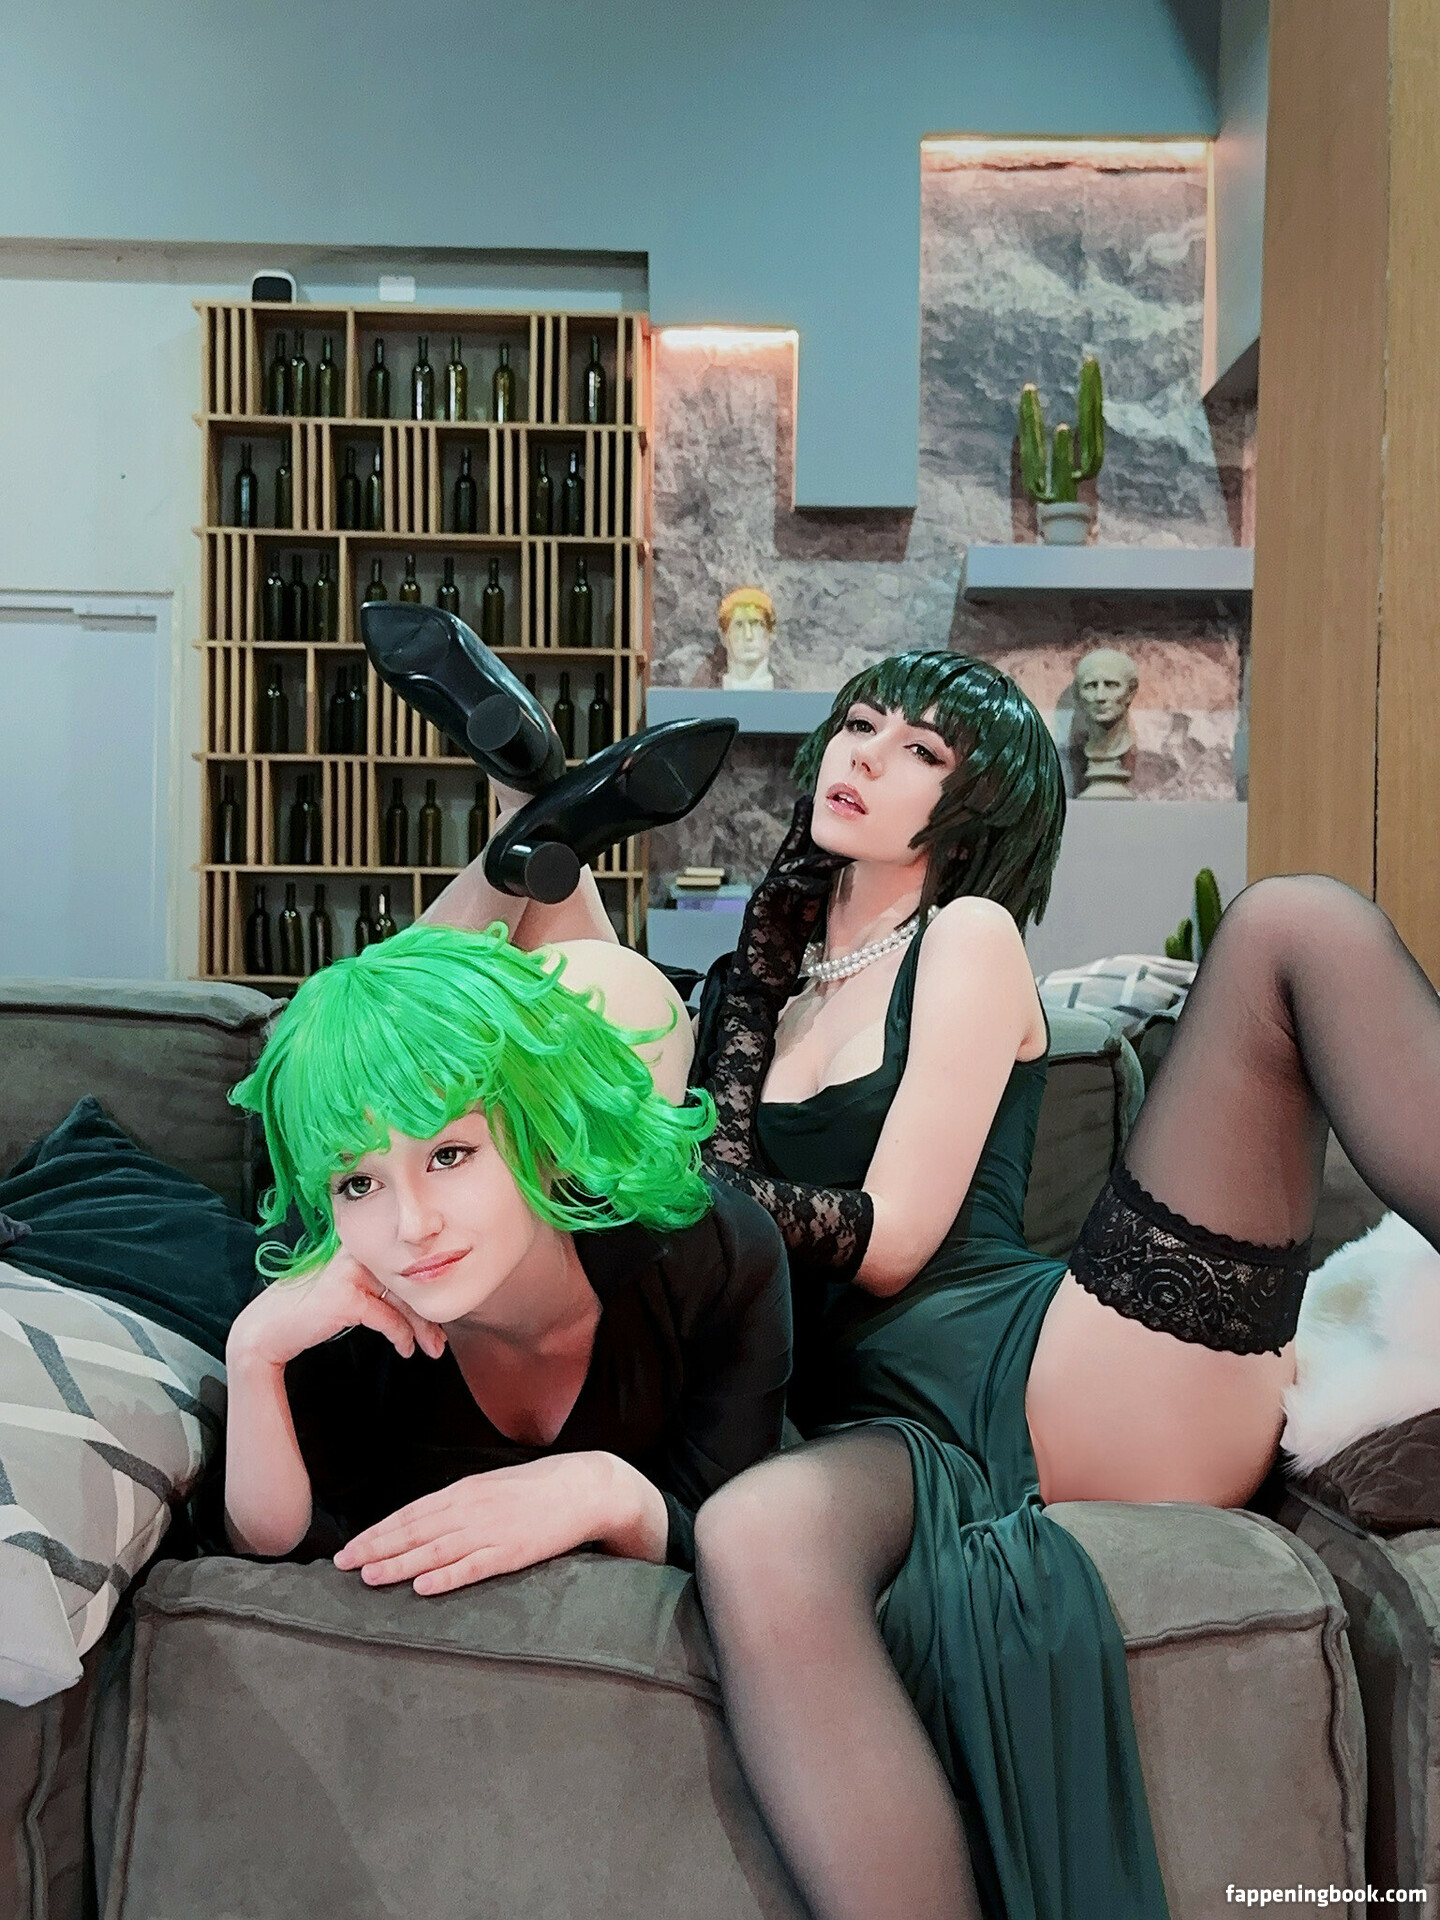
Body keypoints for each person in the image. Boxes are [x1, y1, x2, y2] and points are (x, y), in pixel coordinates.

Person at [674, 648, 1440, 1920]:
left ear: (980, 808)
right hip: (888, 1421)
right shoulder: (751, 996)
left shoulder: (964, 939)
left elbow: (895, 1239)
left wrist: (693, 1181)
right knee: (750, 1533)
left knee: (1288, 923)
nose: (867, 754)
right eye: (859, 724)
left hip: (1050, 1371)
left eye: (922, 750)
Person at [221, 918, 791, 1582]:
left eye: (449, 1154)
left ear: (545, 1138)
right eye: (359, 1183)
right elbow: (271, 1550)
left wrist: (610, 1496)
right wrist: (252, 1358)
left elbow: (745, 1558)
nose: (412, 1225)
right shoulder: (326, 1292)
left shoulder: (713, 1255)